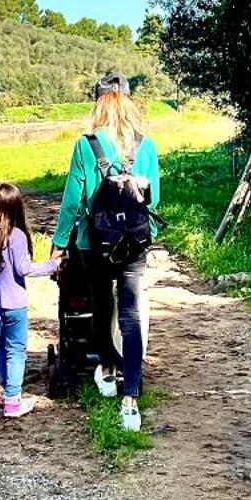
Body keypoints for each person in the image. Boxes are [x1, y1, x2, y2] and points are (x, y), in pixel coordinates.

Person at [50, 77, 160, 432]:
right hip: (132, 243)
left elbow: (72, 200)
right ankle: (131, 400)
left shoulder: (86, 146)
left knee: (100, 304)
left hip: (94, 242)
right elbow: (153, 199)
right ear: (129, 104)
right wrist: (147, 237)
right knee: (130, 312)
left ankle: (108, 370)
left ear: (98, 105)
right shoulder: (146, 146)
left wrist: (60, 241)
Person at [0, 181, 59, 419]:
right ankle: (12, 402)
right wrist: (54, 265)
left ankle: (7, 391)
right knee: (16, 350)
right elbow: (24, 268)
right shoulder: (17, 235)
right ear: (16, 208)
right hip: (14, 303)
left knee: (1, 346)